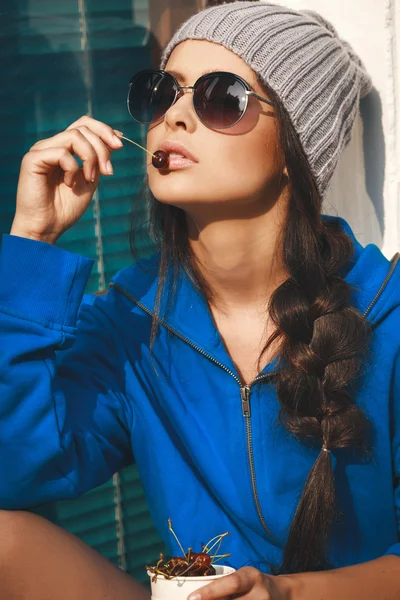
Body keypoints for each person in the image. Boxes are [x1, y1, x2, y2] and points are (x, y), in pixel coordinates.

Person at [1, 1, 400, 598]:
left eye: (221, 99)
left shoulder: (385, 317)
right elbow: (16, 472)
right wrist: (31, 243)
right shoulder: (132, 322)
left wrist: (285, 594)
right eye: (163, 93)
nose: (174, 118)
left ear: (296, 149)